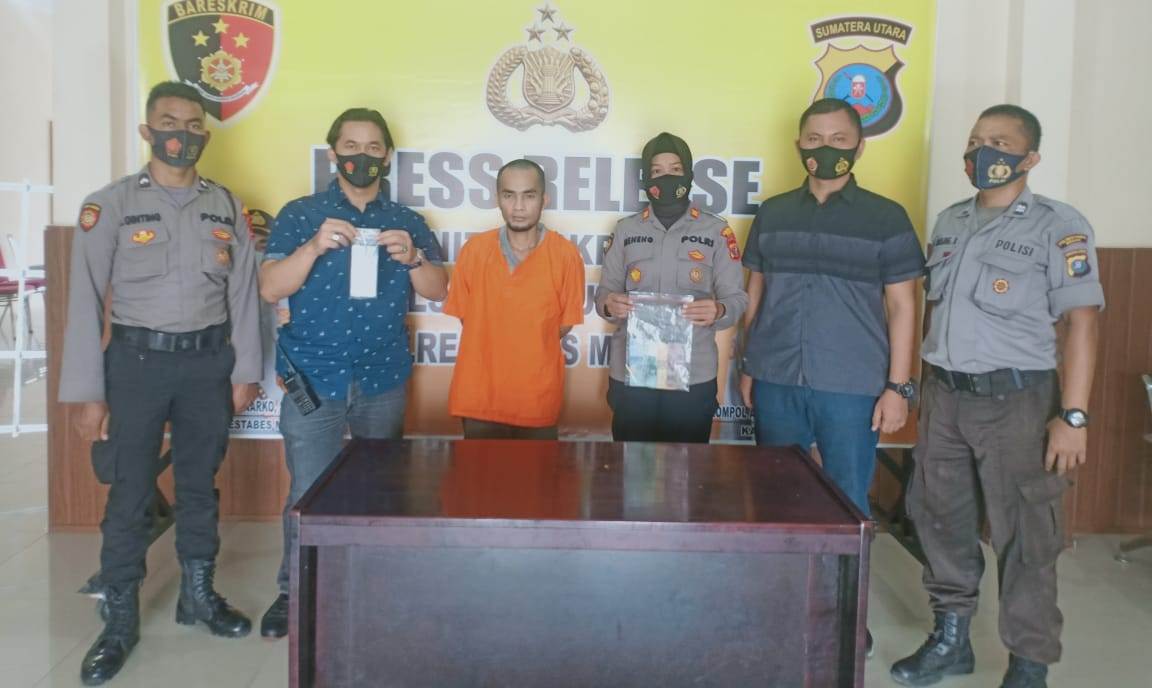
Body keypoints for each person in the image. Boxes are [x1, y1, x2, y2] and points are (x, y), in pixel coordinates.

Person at [890, 105, 1103, 688]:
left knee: (1027, 536)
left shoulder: (1058, 226)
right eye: (977, 139)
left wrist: (1073, 416)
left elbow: (1082, 323)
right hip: (945, 398)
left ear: (1030, 158)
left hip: (1019, 403)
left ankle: (1029, 664)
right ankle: (951, 639)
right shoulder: (951, 221)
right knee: (939, 520)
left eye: (1001, 143)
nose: (984, 151)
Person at [59, 81, 262, 685]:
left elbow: (243, 294)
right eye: (170, 122)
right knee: (129, 492)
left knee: (200, 486)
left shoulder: (224, 205)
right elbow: (84, 300)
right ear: (148, 132)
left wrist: (245, 370)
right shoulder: (111, 204)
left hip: (207, 364)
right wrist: (88, 392)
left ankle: (199, 596)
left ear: (205, 133)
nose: (183, 134)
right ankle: (120, 617)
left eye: (194, 124)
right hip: (136, 365)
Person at [257, 107, 448, 638]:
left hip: (381, 377)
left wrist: (414, 259)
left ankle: (373, 581)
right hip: (314, 377)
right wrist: (314, 245)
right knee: (307, 490)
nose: (361, 156)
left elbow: (439, 289)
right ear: (332, 153)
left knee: (379, 488)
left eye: (373, 147)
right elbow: (271, 288)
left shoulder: (407, 220)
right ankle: (293, 591)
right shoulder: (301, 214)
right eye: (351, 146)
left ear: (387, 156)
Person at [740, 98, 924, 517]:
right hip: (776, 377)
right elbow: (756, 294)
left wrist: (897, 387)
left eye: (839, 139)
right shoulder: (773, 213)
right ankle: (784, 565)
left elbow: (902, 306)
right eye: (815, 139)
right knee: (775, 495)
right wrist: (749, 366)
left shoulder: (887, 218)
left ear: (859, 146)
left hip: (852, 385)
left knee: (847, 501)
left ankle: (843, 566)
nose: (825, 148)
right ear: (799, 146)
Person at [595, 132, 748, 442]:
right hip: (632, 374)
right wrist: (611, 303)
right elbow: (603, 297)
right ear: (645, 178)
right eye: (657, 171)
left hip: (693, 375)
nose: (666, 178)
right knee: (630, 465)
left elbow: (737, 299)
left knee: (687, 468)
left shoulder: (716, 231)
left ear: (689, 174)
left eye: (675, 169)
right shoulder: (626, 230)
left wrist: (719, 310)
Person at [443, 159, 585, 438]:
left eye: (529, 196)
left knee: (538, 468)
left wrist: (525, 342)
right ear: (498, 199)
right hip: (479, 396)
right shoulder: (474, 251)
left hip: (537, 396)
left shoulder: (565, 255)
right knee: (477, 468)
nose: (518, 206)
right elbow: (466, 317)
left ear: (544, 200)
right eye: (509, 195)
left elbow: (564, 324)